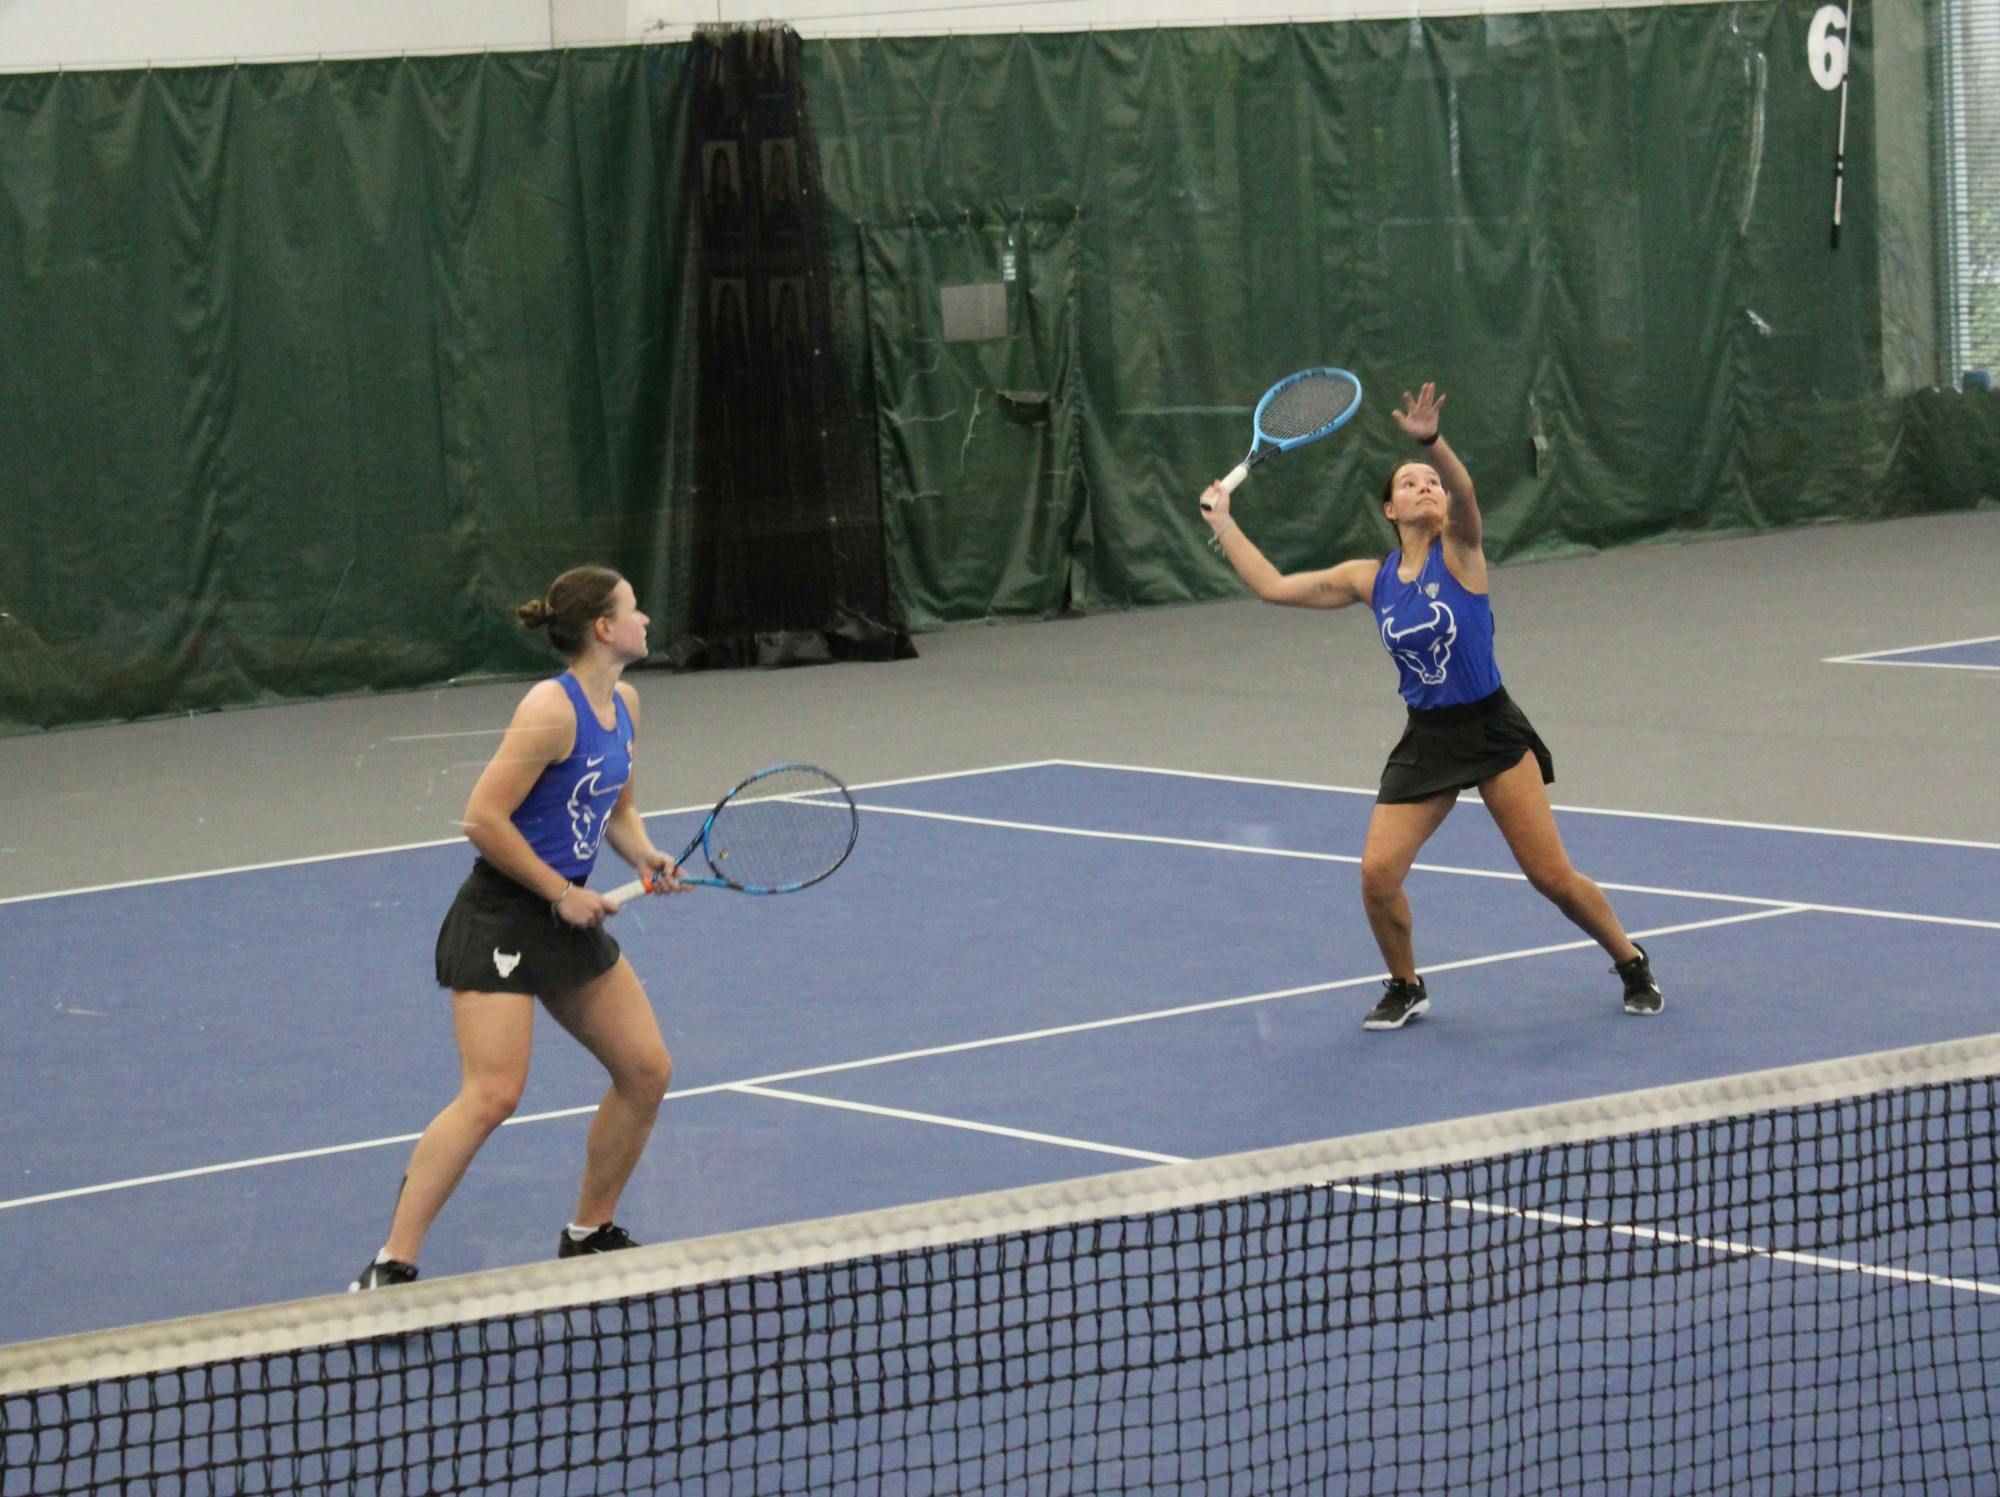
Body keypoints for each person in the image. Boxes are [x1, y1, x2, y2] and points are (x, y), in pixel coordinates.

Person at [1198, 382, 1662, 1030]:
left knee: (1551, 877)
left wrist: (1432, 444)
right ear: (1390, 506)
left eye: (1431, 484)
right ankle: (1406, 983)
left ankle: (1630, 958)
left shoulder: (1462, 551)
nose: (1426, 488)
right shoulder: (1372, 577)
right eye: (1410, 483)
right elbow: (1276, 586)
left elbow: (1468, 495)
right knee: (1377, 874)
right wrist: (1223, 521)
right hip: (1428, 739)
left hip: (1492, 730)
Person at [351, 566, 685, 1290]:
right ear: (604, 627)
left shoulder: (624, 703)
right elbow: (481, 818)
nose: (647, 618)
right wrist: (561, 890)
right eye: (634, 607)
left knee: (647, 1070)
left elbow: (614, 808)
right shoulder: (549, 708)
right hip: (502, 914)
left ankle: (589, 1231)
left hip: (562, 914)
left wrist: (646, 853)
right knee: (493, 1093)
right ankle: (390, 1264)